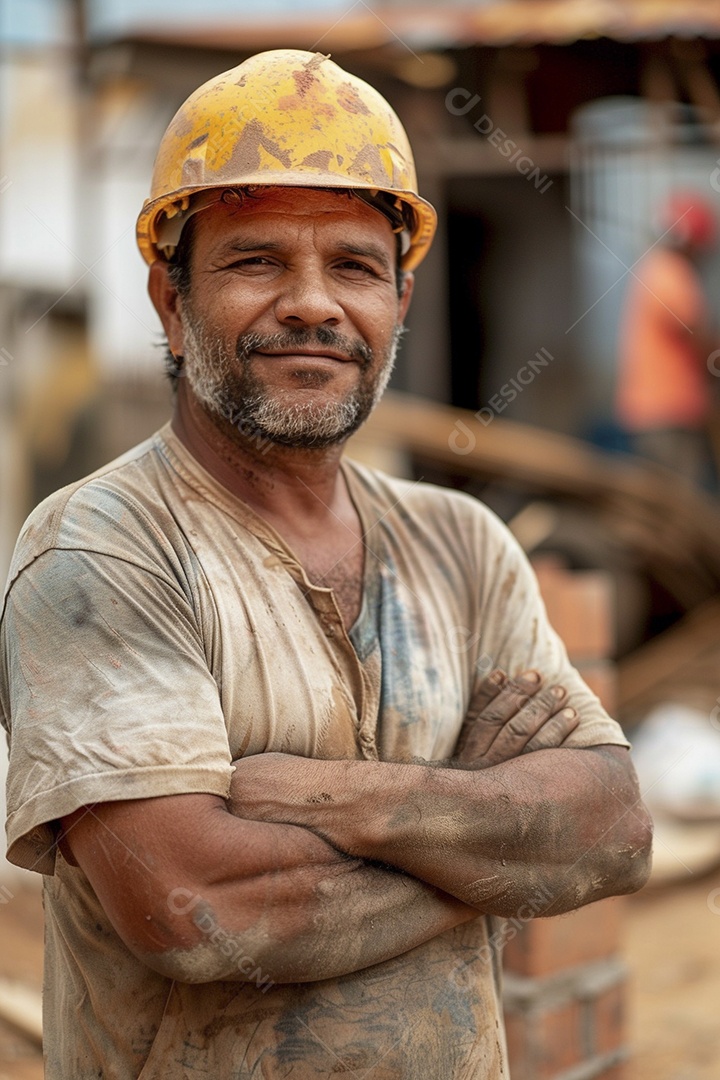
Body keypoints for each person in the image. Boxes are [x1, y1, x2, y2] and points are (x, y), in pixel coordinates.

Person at [0, 50, 651, 1079]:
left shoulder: (464, 544)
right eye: (256, 260)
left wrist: (330, 797)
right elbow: (194, 911)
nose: (313, 304)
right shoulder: (101, 553)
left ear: (397, 298)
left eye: (352, 265)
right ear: (170, 302)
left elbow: (611, 832)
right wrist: (487, 835)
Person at [615, 190, 719, 490]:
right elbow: (699, 339)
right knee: (679, 502)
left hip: (664, 412)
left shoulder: (658, 270)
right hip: (666, 413)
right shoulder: (670, 274)